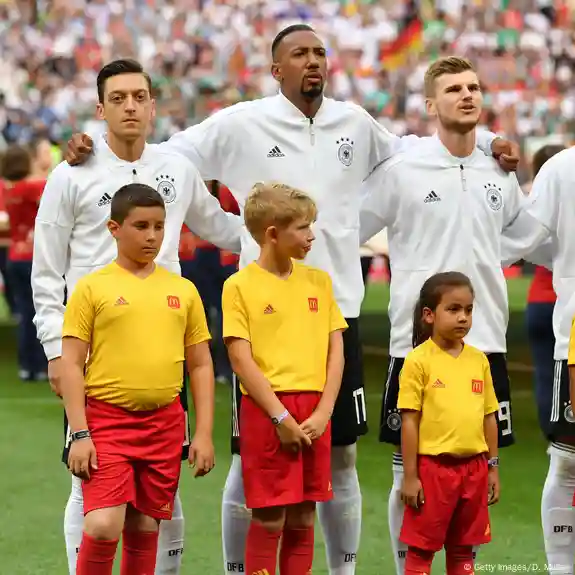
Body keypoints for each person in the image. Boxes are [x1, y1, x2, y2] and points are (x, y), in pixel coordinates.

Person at [64, 26, 519, 575]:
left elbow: (423, 149)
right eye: (299, 54)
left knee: (340, 456)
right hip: (262, 313)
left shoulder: (355, 122)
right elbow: (162, 155)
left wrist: (491, 140)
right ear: (276, 69)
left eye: (320, 53)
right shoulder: (240, 123)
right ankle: (242, 569)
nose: (313, 62)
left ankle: (340, 570)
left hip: (336, 308)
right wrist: (92, 146)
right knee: (249, 457)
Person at [32, 59, 243, 575]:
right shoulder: (71, 172)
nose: (130, 106)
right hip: (93, 353)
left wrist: (294, 231)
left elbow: (222, 228)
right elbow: (45, 269)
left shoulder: (175, 168)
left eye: (139, 97)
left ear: (153, 106)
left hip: (163, 349)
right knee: (91, 487)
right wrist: (55, 349)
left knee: (159, 500)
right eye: (119, 98)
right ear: (101, 109)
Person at [358, 56, 540, 575]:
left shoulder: (498, 173)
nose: (467, 95)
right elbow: (348, 229)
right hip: (413, 346)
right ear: (430, 104)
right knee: (406, 471)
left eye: (474, 87)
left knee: (476, 475)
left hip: (486, 343)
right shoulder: (402, 170)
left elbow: (522, 236)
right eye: (454, 88)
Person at [60, 183, 215, 575]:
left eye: (159, 226)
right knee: (102, 523)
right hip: (107, 421)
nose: (152, 236)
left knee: (145, 526)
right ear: (114, 228)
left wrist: (203, 433)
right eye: (141, 226)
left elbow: (200, 365)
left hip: (164, 424)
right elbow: (71, 364)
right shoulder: (92, 288)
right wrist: (79, 433)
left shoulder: (183, 290)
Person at [223, 182, 347, 575]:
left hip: (314, 411)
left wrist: (325, 411)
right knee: (270, 517)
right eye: (302, 227)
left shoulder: (319, 281)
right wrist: (280, 418)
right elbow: (241, 360)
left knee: (304, 515)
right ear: (273, 234)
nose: (311, 236)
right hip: (267, 412)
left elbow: (336, 350)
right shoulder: (239, 285)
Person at [500, 144, 575, 575]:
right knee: (567, 456)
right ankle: (560, 567)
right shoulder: (562, 168)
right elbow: (525, 240)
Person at [399, 271, 500, 575]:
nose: (463, 318)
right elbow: (409, 422)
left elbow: (489, 416)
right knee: (421, 551)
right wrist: (411, 476)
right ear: (429, 315)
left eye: (468, 310)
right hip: (434, 471)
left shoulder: (479, 360)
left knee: (463, 551)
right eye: (453, 309)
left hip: (475, 470)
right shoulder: (418, 361)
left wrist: (492, 467)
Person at [525, 145, 563, 437]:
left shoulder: (532, 200)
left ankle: (551, 433)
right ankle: (566, 430)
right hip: (564, 299)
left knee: (544, 372)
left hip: (538, 299)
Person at [1, 145, 47, 381]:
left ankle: (26, 364)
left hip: (14, 256)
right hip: (34, 256)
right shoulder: (33, 186)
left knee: (25, 312)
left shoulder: (10, 189)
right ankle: (40, 365)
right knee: (43, 312)